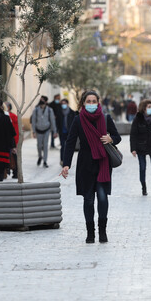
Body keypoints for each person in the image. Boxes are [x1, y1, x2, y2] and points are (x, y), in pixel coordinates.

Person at [60, 91, 121, 244]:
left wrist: (111, 138)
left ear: (98, 102)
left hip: (103, 164)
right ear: (83, 103)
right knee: (88, 200)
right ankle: (90, 233)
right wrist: (66, 163)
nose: (92, 104)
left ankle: (102, 231)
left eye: (94, 101)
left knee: (102, 197)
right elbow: (70, 142)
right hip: (85, 165)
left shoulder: (106, 118)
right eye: (89, 101)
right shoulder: (78, 120)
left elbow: (118, 137)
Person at [130, 99, 151, 195]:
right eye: (149, 107)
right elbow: (133, 134)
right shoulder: (137, 119)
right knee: (143, 167)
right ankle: (143, 187)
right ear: (144, 108)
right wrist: (133, 149)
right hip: (141, 146)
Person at [31, 96, 57, 168]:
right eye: (41, 105)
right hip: (38, 130)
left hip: (46, 130)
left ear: (45, 104)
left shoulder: (49, 110)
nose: (42, 106)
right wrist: (33, 131)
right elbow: (33, 121)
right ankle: (40, 156)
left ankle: (45, 161)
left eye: (43, 105)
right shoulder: (36, 110)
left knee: (45, 145)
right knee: (39, 145)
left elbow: (52, 121)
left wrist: (54, 131)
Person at [57, 98, 75, 165]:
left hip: (69, 133)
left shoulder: (72, 113)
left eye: (64, 103)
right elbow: (57, 123)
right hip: (62, 132)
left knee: (69, 147)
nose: (63, 105)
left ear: (67, 104)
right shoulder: (59, 112)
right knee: (63, 146)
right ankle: (62, 160)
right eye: (62, 104)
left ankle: (67, 161)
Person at [7, 103, 19, 179]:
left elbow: (16, 129)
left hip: (12, 139)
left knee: (13, 156)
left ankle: (15, 172)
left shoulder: (13, 116)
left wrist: (16, 140)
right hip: (8, 139)